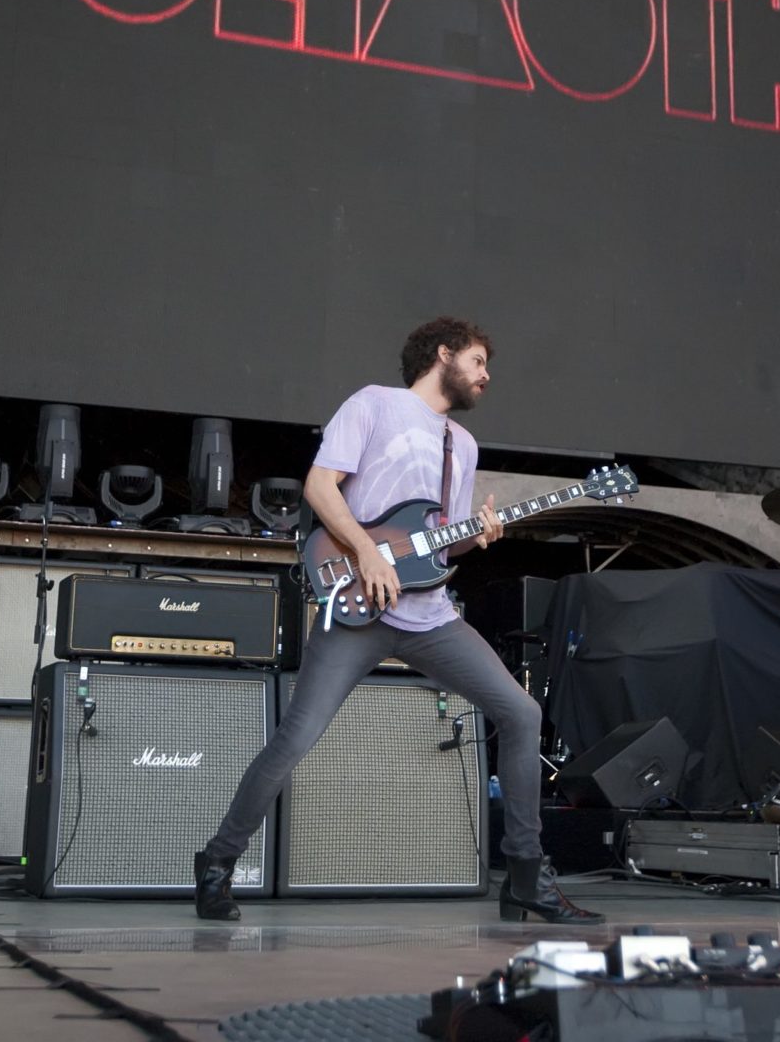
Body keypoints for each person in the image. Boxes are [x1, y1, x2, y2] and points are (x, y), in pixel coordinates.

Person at [194, 317, 600, 925]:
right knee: (296, 738)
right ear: (444, 354)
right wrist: (363, 552)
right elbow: (320, 487)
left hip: (430, 616)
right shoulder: (374, 404)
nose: (487, 376)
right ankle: (219, 862)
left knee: (520, 712)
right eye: (480, 361)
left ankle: (524, 878)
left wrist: (479, 537)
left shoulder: (460, 446)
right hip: (357, 607)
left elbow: (438, 545)